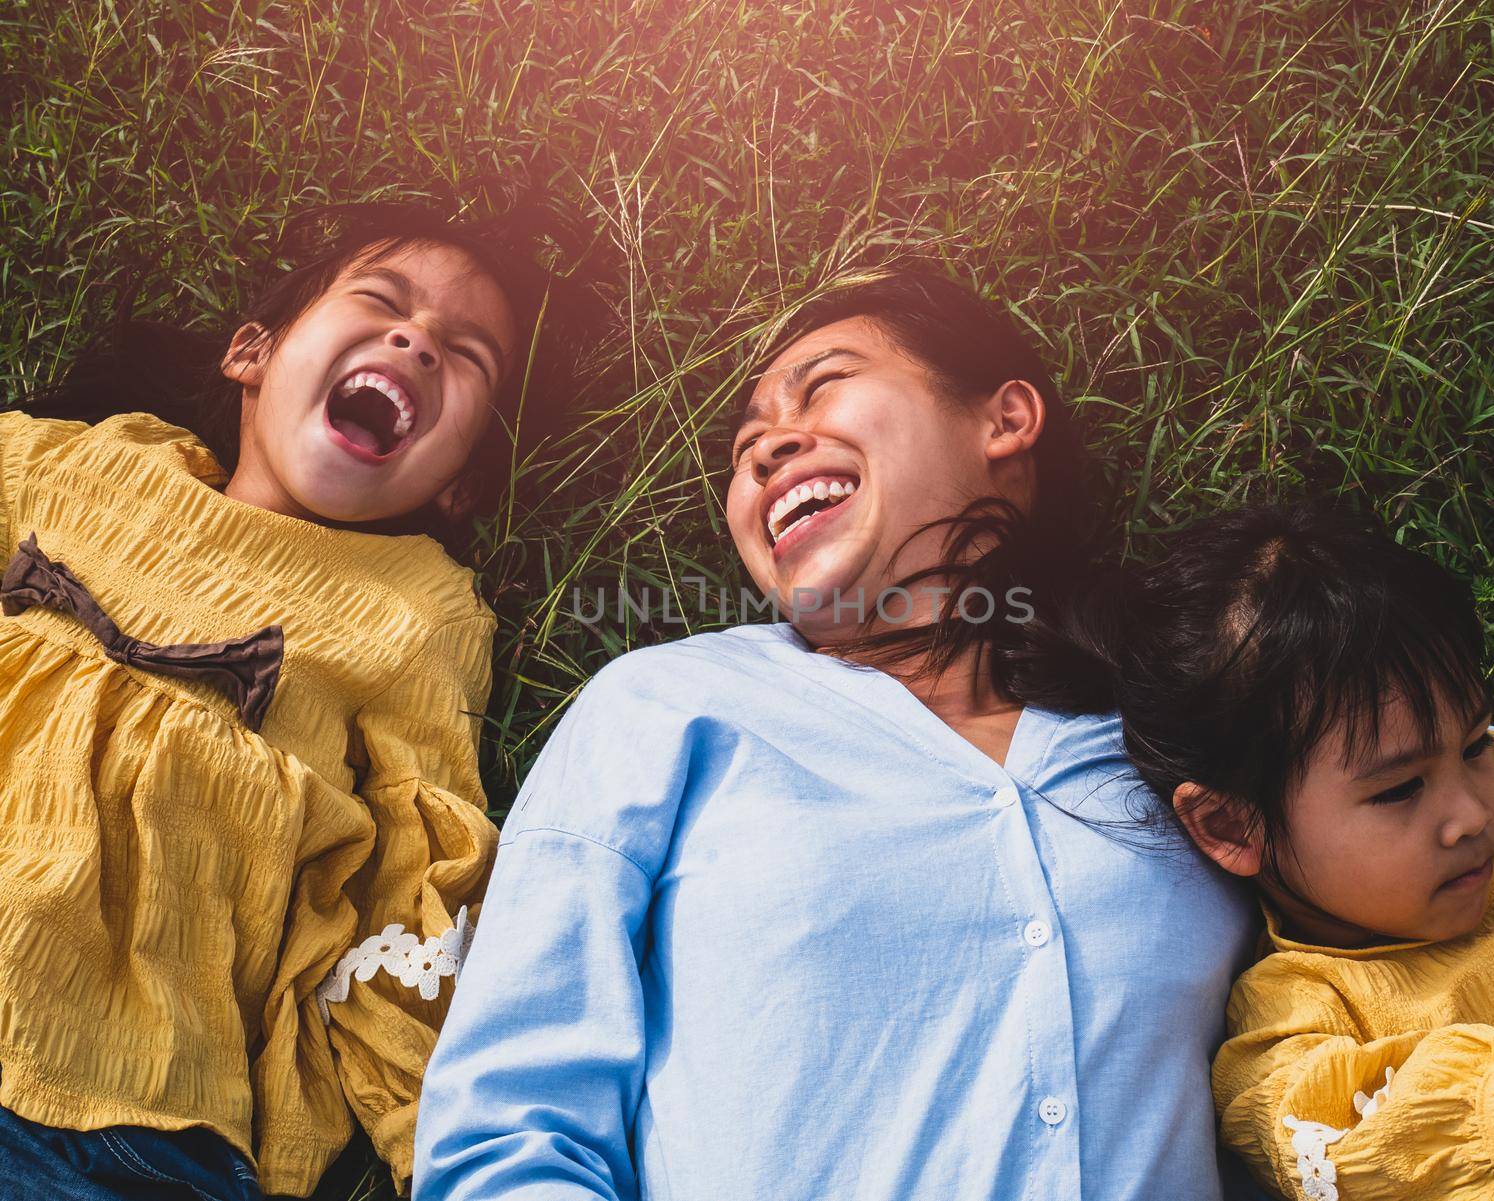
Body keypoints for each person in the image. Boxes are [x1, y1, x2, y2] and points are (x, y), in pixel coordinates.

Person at [413, 271, 1258, 1201]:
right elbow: (508, 1130)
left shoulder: (1174, 728)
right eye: (743, 450)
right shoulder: (668, 706)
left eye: (824, 385)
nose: (767, 447)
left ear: (1005, 419)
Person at [0, 204, 546, 1198]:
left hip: (131, 1113)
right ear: (251, 353)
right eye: (382, 301)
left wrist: (442, 1146)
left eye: (464, 356)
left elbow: (419, 885)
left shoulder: (416, 609)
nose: (415, 341)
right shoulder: (71, 465)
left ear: (460, 484)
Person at [1105, 502, 1494, 1200]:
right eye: (1400, 789)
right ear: (1232, 826)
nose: (1472, 812)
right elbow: (1365, 1155)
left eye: (1476, 743)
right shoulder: (1292, 1024)